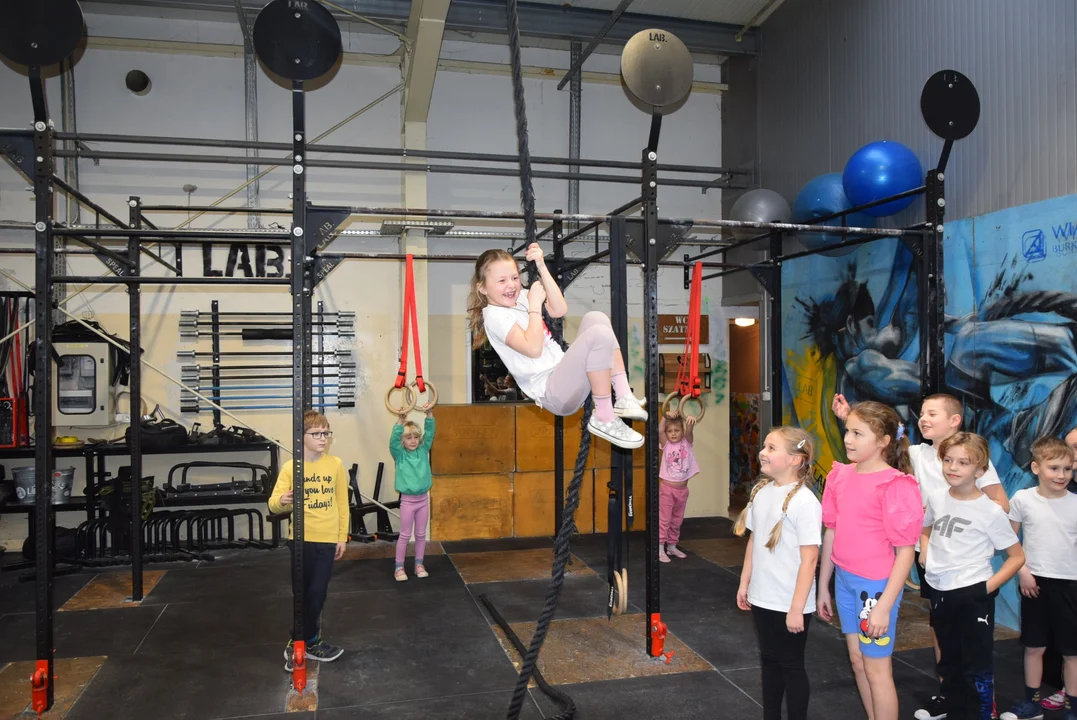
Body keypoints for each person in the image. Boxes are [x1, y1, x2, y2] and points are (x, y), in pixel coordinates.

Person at [834, 392, 1010, 720]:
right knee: (940, 628)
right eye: (921, 413)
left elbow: (1001, 506)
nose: (923, 418)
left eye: (932, 413)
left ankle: (984, 703)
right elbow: (879, 443)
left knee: (971, 640)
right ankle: (950, 693)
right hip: (930, 559)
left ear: (955, 420)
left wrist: (962, 519)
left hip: (965, 566)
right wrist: (848, 418)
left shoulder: (970, 455)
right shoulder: (916, 453)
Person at [467, 244, 647, 449]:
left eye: (515, 278)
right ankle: (604, 416)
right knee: (599, 335)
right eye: (501, 281)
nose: (511, 285)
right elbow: (534, 349)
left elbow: (559, 309)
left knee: (596, 319)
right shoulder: (495, 316)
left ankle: (623, 396)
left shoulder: (522, 298)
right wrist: (535, 306)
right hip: (553, 391)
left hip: (565, 376)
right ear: (482, 287)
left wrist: (542, 266)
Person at [817, 401, 924, 720]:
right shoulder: (840, 475)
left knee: (877, 671)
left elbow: (906, 552)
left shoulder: (895, 484)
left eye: (858, 433)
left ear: (883, 441)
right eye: (848, 430)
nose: (848, 439)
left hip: (875, 589)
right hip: (845, 583)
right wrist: (824, 585)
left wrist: (883, 606)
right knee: (857, 662)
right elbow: (831, 532)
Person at [920, 432, 1025, 720]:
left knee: (975, 666)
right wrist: (925, 551)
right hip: (941, 591)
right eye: (949, 460)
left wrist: (984, 588)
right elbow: (926, 526)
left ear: (980, 470)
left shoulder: (990, 511)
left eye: (963, 463)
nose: (953, 468)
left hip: (973, 595)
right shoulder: (938, 497)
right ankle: (954, 712)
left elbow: (1016, 557)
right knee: (949, 663)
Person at [734, 427, 822, 720]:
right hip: (763, 596)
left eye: (772, 448)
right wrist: (745, 583)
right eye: (765, 446)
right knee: (769, 662)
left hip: (789, 601)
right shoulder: (762, 492)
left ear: (796, 460)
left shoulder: (806, 502)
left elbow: (810, 559)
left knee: (791, 665)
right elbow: (754, 542)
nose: (763, 452)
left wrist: (797, 608)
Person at [1001, 436, 1077, 720]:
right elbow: (1009, 538)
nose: (1062, 475)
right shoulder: (1022, 499)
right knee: (1034, 647)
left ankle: (1072, 704)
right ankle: (1031, 703)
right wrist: (1022, 572)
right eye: (1054, 468)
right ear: (1036, 467)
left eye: (1067, 469)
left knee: (1072, 652)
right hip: (1034, 584)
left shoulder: (1076, 503)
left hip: (1070, 585)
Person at [268, 410, 348, 670]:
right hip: (300, 539)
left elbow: (342, 504)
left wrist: (341, 536)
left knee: (317, 592)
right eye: (317, 434)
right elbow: (272, 505)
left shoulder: (335, 464)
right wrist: (283, 500)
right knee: (301, 593)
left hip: (326, 539)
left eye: (326, 433)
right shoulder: (292, 468)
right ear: (302, 438)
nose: (323, 438)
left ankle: (304, 641)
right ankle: (304, 643)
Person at [390, 408, 435, 582]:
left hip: (423, 500)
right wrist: (400, 421)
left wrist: (429, 414)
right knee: (405, 534)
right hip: (408, 502)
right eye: (409, 438)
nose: (413, 441)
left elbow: (430, 433)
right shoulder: (399, 454)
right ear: (403, 440)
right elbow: (393, 441)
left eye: (416, 437)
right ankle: (399, 568)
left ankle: (419, 564)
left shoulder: (423, 450)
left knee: (421, 534)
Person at [658, 410, 699, 562]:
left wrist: (690, 421)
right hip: (667, 489)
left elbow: (689, 430)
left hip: (682, 490)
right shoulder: (666, 444)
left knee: (677, 519)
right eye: (670, 431)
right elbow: (660, 429)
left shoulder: (686, 443)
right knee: (665, 519)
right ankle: (660, 547)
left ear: (681, 432)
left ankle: (672, 546)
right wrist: (666, 416)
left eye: (677, 430)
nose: (673, 434)